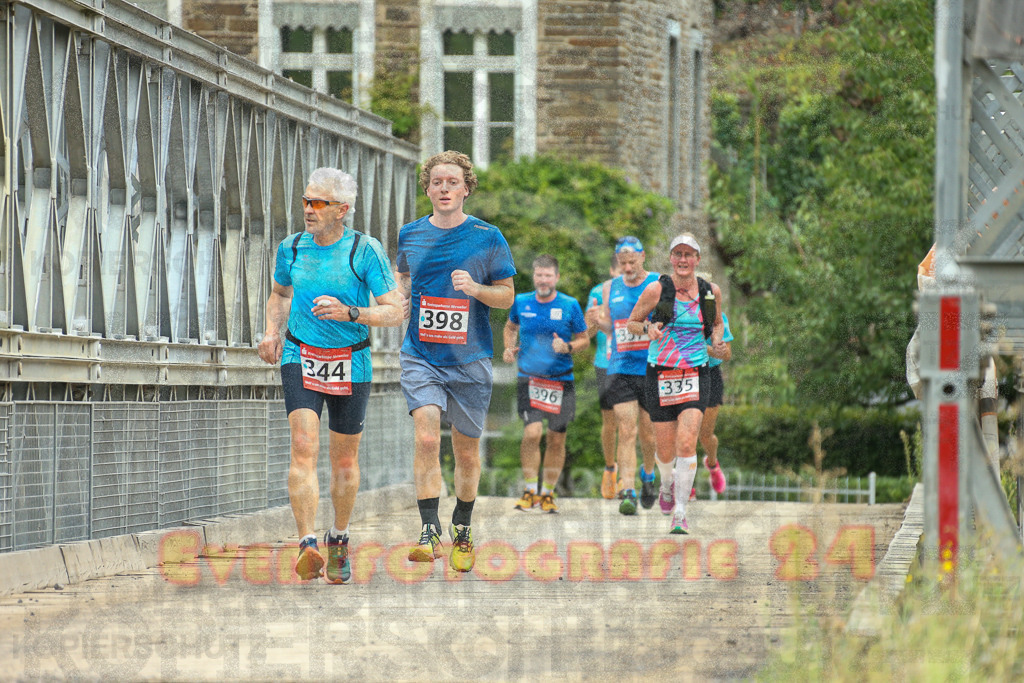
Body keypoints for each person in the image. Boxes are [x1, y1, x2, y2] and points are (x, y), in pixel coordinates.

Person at [257, 168, 404, 582]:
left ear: (342, 210)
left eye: (318, 203)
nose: (308, 209)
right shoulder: (292, 248)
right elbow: (280, 293)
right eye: (305, 201)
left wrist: (351, 312)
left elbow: (395, 310)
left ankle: (339, 537)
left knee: (344, 459)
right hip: (301, 354)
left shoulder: (364, 251)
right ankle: (306, 544)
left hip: (350, 360)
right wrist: (271, 332)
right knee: (303, 445)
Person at [397, 150, 516, 572]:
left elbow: (507, 295)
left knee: (466, 453)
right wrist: (398, 302)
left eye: (452, 182)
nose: (444, 189)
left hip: (470, 360)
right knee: (427, 437)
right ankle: (428, 532)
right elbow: (404, 282)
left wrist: (476, 290)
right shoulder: (410, 234)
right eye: (437, 182)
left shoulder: (487, 236)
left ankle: (462, 526)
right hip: (421, 354)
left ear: (466, 188)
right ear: (427, 189)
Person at [626, 232, 724, 534]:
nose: (683, 260)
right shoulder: (657, 289)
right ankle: (667, 485)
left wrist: (717, 341)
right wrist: (647, 329)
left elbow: (717, 323)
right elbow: (631, 323)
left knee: (686, 441)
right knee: (665, 450)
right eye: (678, 254)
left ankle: (680, 512)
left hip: (696, 372)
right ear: (671, 258)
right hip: (661, 373)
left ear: (697, 259)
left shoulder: (710, 291)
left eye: (689, 254)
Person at [503, 255, 589, 514]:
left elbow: (584, 339)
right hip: (529, 378)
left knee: (556, 439)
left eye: (548, 275)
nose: (543, 280)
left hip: (561, 380)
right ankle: (530, 490)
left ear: (556, 278)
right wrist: (508, 348)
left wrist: (568, 347)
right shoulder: (521, 302)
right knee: (532, 433)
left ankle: (547, 494)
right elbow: (509, 327)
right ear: (534, 276)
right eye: (539, 275)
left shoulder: (570, 305)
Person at [595, 236, 660, 515]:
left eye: (632, 261)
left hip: (651, 366)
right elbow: (610, 327)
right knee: (627, 429)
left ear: (643, 257)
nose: (628, 267)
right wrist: (597, 321)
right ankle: (628, 490)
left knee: (649, 432)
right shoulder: (610, 288)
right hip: (620, 367)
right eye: (622, 263)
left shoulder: (658, 283)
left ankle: (648, 475)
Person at [585, 257, 623, 499]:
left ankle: (625, 479)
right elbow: (586, 334)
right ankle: (610, 470)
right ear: (611, 270)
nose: (624, 273)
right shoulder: (598, 293)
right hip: (605, 363)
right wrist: (593, 321)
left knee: (629, 425)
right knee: (610, 424)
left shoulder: (643, 291)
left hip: (631, 364)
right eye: (619, 268)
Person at [694, 296, 732, 501]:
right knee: (685, 433)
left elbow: (727, 355)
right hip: (686, 373)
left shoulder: (719, 318)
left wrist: (712, 349)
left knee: (705, 435)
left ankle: (713, 463)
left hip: (711, 375)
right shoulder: (682, 316)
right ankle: (686, 485)